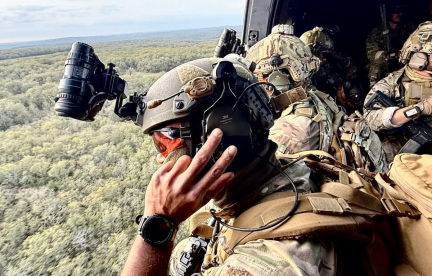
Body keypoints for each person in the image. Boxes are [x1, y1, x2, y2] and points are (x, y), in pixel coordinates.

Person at [119, 56, 415, 276]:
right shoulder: (287, 170)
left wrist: (156, 228)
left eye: (164, 143)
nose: (160, 157)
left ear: (223, 133)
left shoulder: (272, 262)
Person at [247, 25, 388, 174]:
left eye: (258, 78)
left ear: (276, 79)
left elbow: (252, 183)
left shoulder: (291, 128)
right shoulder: (316, 98)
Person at [364, 21, 432, 163]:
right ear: (422, 58)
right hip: (409, 154)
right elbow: (371, 117)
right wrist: (420, 108)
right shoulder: (392, 83)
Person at [300, 26, 368, 114]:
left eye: (323, 54)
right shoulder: (302, 70)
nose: (322, 58)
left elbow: (348, 66)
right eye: (320, 54)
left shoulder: (328, 60)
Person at [366, 0, 415, 87]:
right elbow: (372, 54)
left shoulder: (408, 28)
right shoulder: (377, 32)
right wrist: (388, 55)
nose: (400, 14)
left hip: (405, 61)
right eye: (396, 11)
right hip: (386, 64)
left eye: (402, 12)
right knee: (375, 68)